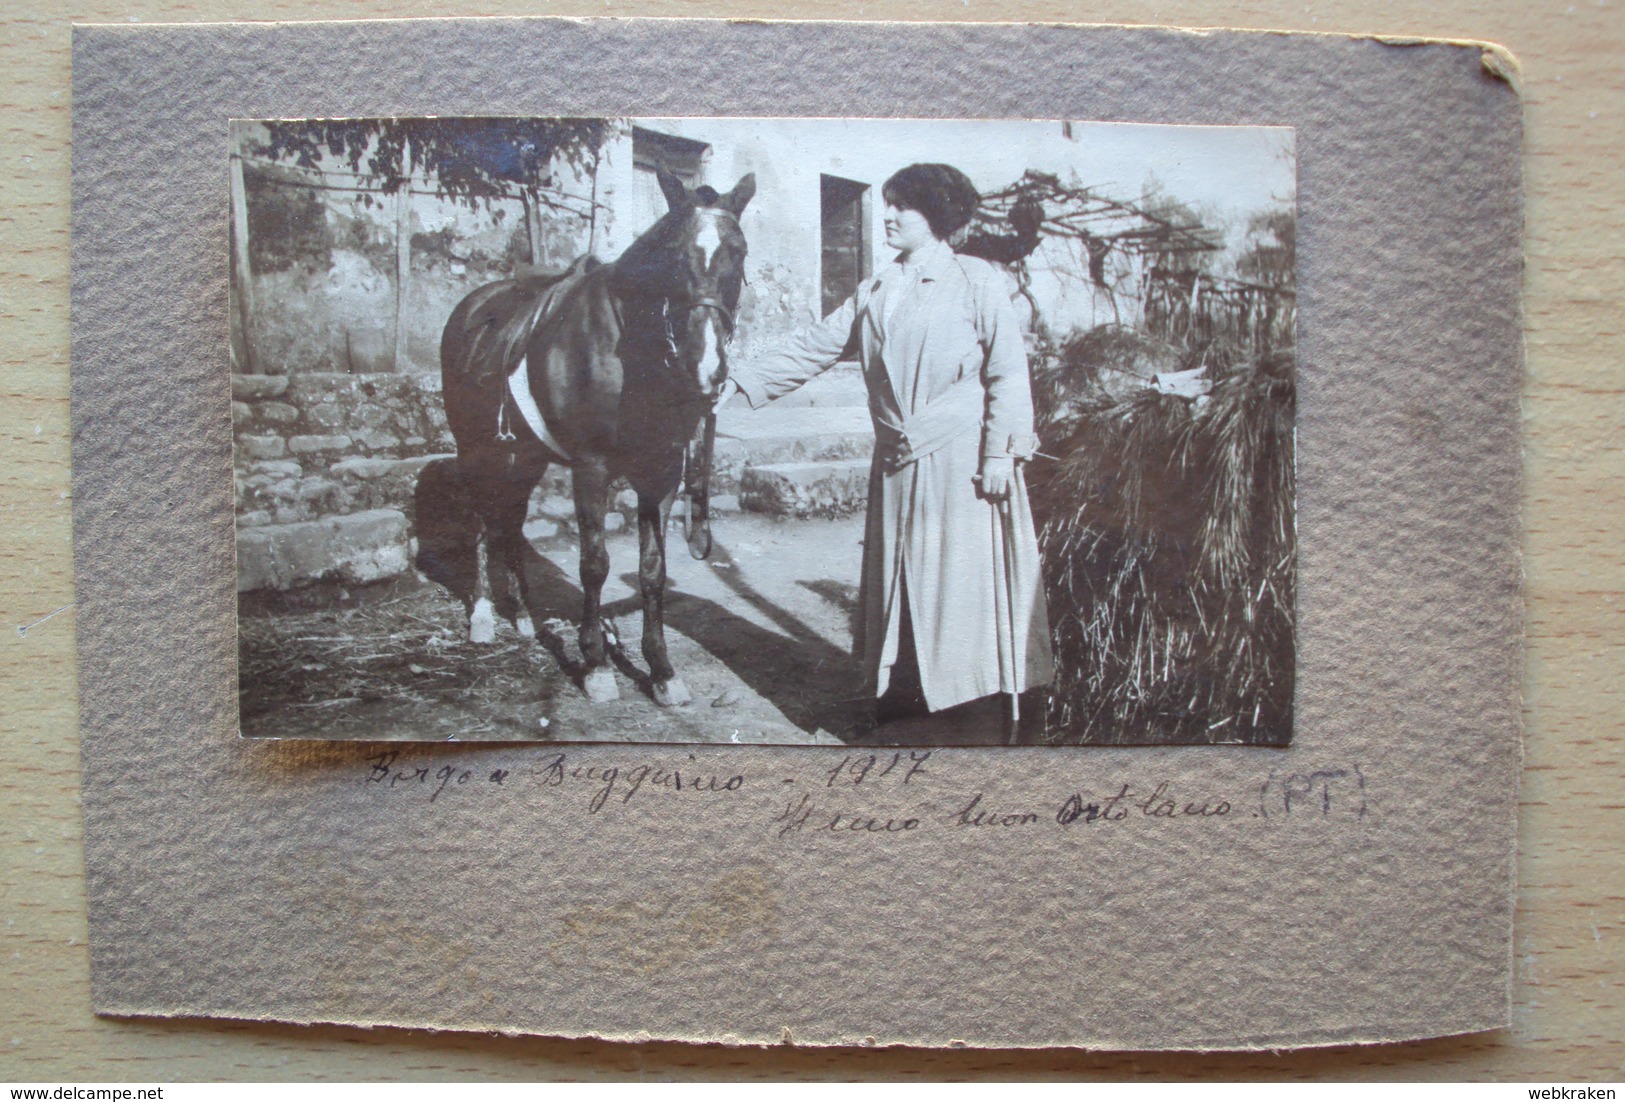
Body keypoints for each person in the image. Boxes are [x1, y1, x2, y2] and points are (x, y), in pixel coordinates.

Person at [721, 163, 1053, 741]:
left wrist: (1001, 454)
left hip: (963, 463)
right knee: (902, 580)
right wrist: (737, 380)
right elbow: (815, 346)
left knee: (959, 581)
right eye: (889, 203)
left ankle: (972, 717)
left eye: (906, 206)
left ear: (940, 216)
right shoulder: (876, 288)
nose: (890, 215)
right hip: (899, 461)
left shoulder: (977, 280)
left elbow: (1007, 373)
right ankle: (908, 709)